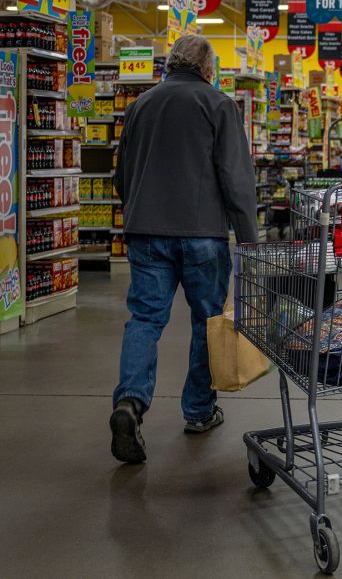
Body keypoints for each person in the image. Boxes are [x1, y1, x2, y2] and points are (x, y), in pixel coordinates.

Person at [109, 34, 259, 465]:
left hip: (146, 232)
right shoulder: (218, 105)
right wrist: (248, 237)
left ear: (170, 65)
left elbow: (123, 173)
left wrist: (138, 211)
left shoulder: (140, 106)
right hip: (201, 234)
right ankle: (197, 411)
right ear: (207, 69)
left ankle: (130, 403)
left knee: (144, 319)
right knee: (206, 323)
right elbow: (236, 178)